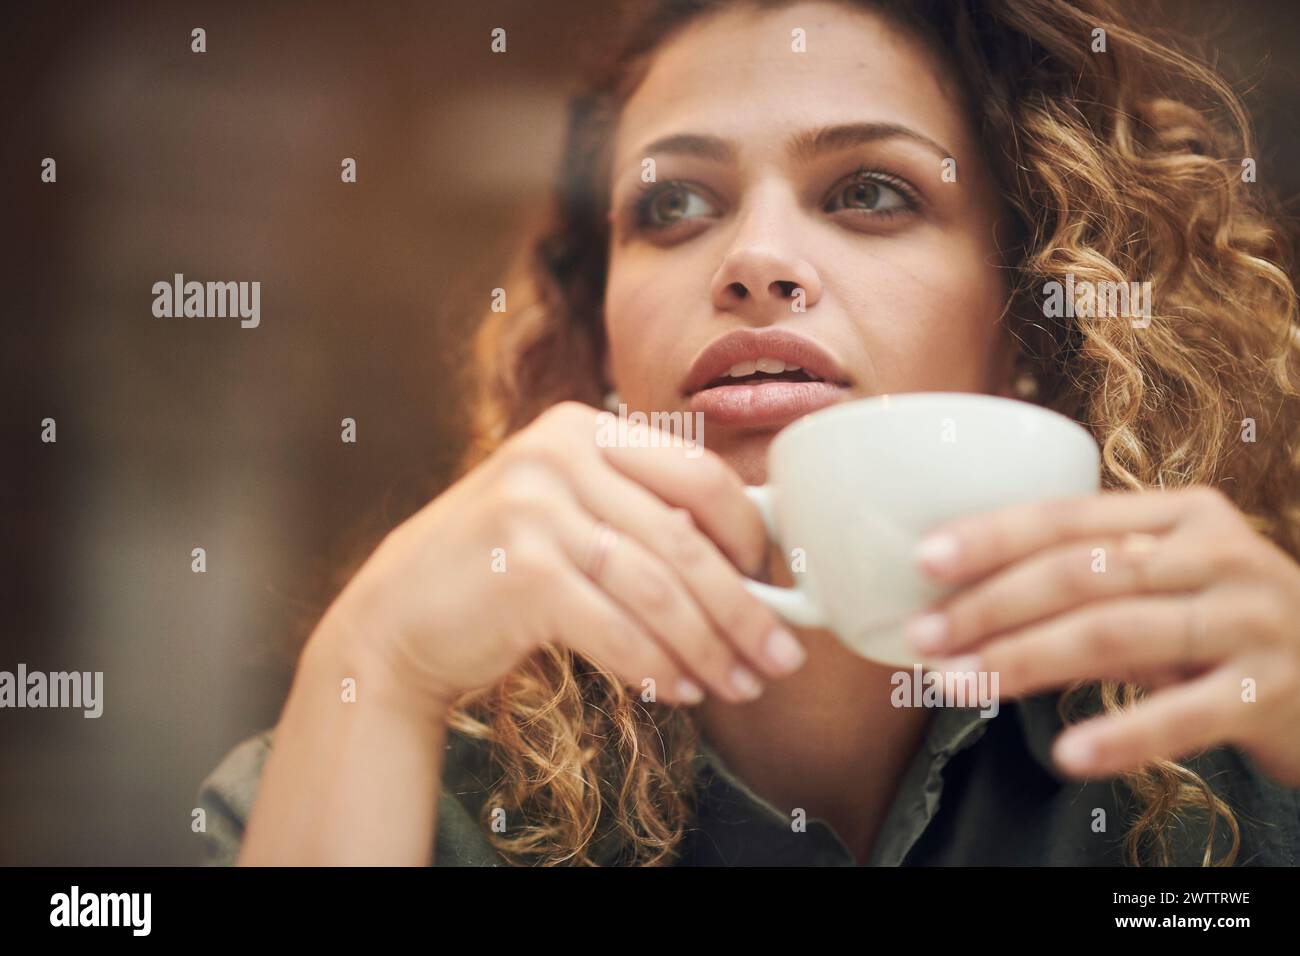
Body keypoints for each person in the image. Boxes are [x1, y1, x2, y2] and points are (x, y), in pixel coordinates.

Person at [197, 0, 1300, 866]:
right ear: (601, 345)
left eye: (869, 190)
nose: (753, 258)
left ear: (1028, 315)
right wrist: (372, 658)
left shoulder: (1235, 758)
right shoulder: (382, 772)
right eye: (673, 205)